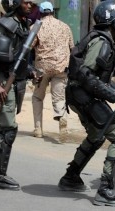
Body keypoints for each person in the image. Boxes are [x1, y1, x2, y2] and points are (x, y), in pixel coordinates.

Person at [58, 1, 115, 207]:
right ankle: (105, 190)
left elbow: (102, 80)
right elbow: (87, 77)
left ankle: (70, 177)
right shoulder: (102, 42)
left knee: (96, 137)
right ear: (109, 18)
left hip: (79, 95)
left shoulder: (103, 39)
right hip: (84, 96)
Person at [0, 0, 34, 190]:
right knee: (9, 127)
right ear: (16, 3)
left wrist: (31, 71)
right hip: (4, 82)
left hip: (14, 81)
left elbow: (17, 55)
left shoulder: (22, 24)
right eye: (26, 2)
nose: (30, 5)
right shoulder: (5, 24)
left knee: (2, 127)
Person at [31, 1, 74, 139]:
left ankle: (38, 129)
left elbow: (30, 46)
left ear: (41, 13)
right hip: (61, 67)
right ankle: (61, 117)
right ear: (53, 12)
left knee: (38, 97)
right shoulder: (65, 26)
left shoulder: (36, 27)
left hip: (42, 68)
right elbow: (72, 47)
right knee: (59, 97)